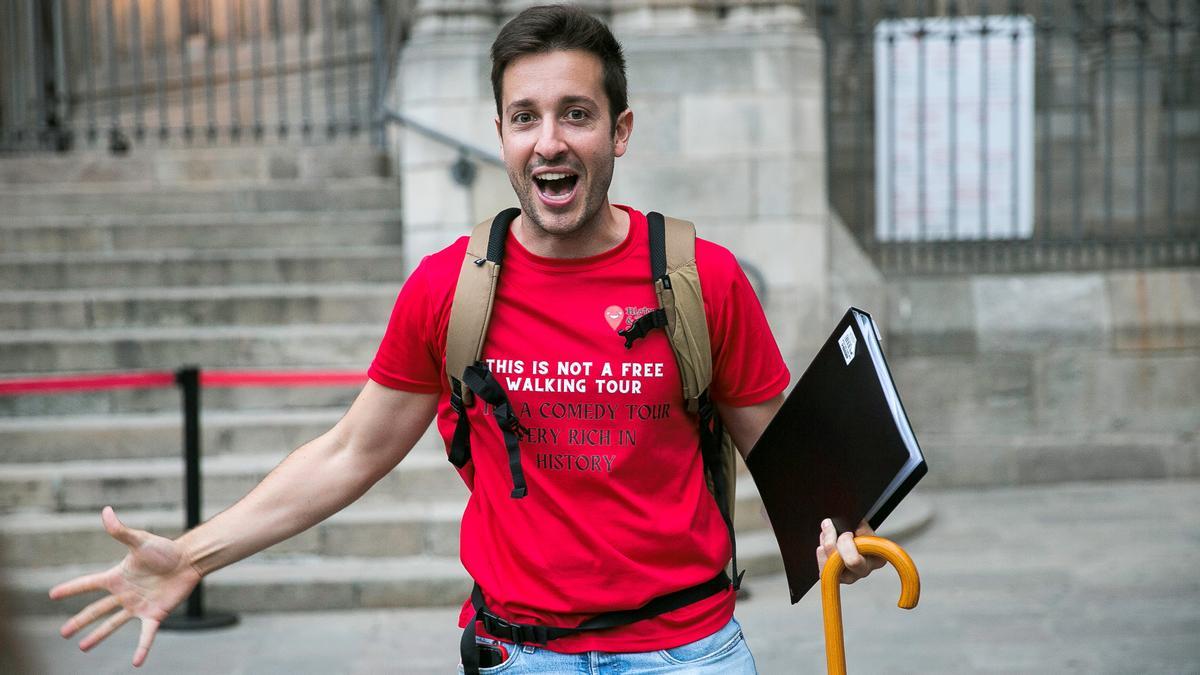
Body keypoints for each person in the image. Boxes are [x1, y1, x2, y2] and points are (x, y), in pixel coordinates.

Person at [50, 5, 883, 671]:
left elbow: (784, 457)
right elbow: (349, 452)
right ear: (501, 136)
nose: (549, 140)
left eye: (577, 115)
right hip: (518, 654)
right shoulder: (451, 288)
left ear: (619, 133)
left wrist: (844, 523)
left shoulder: (703, 277)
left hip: (688, 651)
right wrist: (193, 553)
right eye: (526, 117)